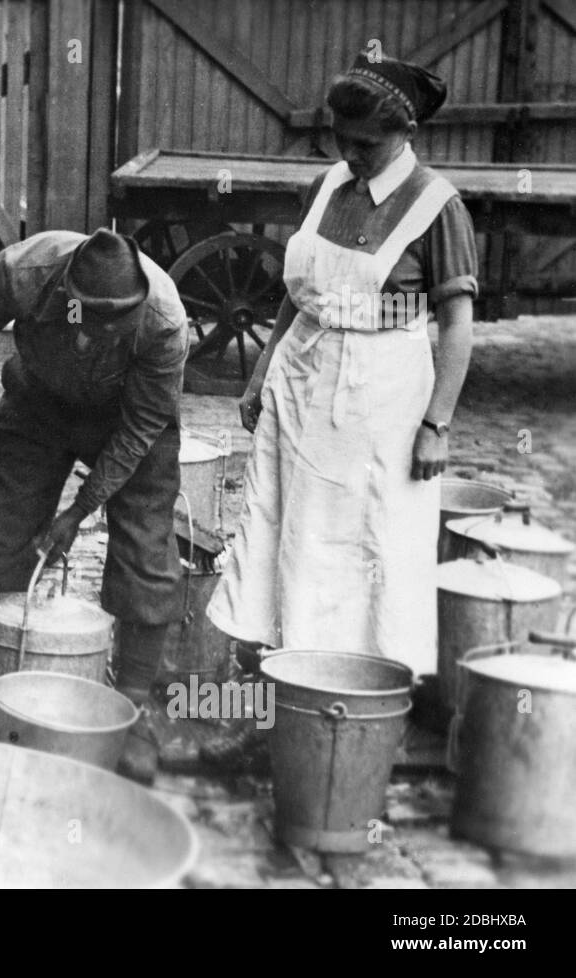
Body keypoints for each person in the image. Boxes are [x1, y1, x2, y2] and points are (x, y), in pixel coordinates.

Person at [206, 55, 477, 690]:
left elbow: (458, 327)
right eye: (341, 139)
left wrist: (437, 424)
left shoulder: (437, 207)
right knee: (285, 523)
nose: (351, 153)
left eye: (366, 144)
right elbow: (301, 295)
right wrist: (261, 373)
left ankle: (360, 685)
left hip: (379, 391)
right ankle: (278, 668)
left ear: (405, 133)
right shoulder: (328, 186)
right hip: (302, 374)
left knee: (361, 540)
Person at [0, 228, 188, 779]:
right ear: (66, 293)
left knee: (147, 557)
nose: (99, 333)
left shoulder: (164, 322)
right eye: (89, 317)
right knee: (5, 546)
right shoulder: (22, 273)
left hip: (129, 419)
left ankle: (129, 711)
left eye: (115, 322)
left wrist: (79, 512)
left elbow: (144, 425)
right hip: (39, 404)